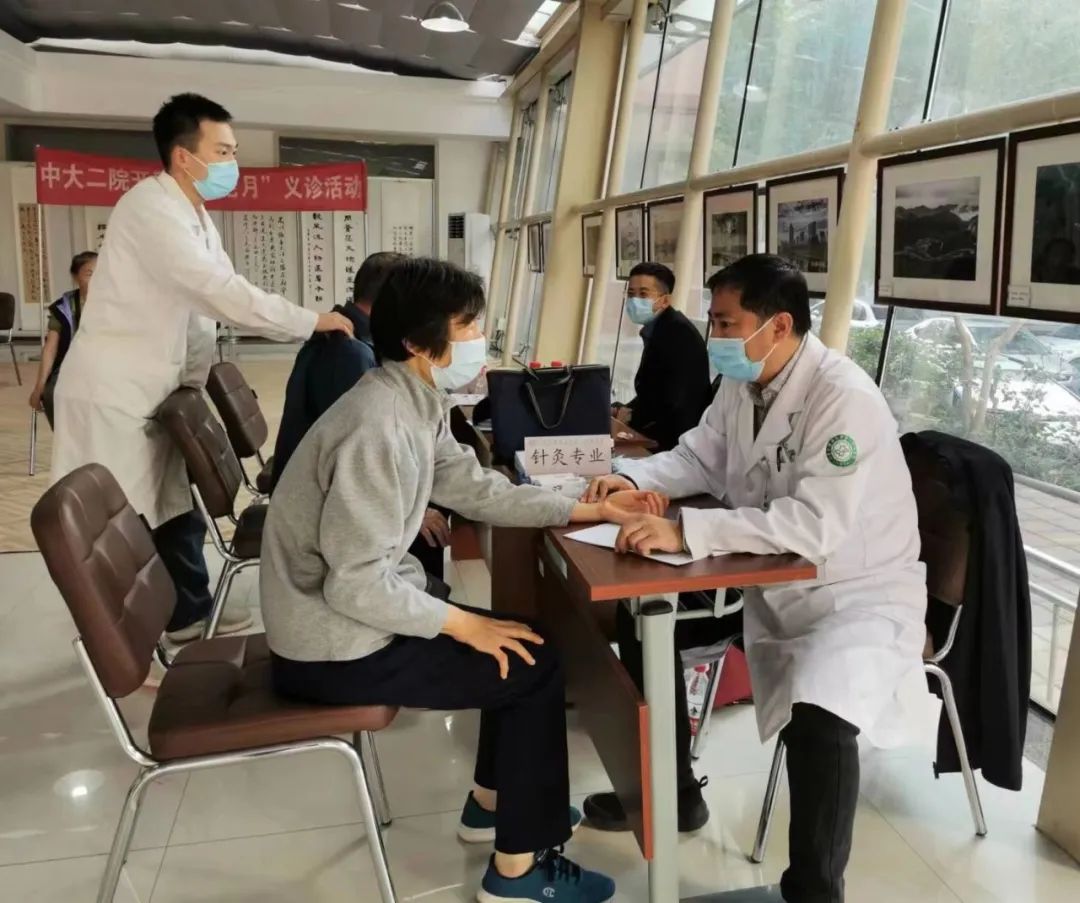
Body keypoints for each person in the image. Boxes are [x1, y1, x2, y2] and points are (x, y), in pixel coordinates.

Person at [262, 257, 667, 903]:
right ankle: (519, 872)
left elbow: (475, 489)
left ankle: (492, 804)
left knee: (523, 641)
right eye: (467, 326)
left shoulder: (413, 400)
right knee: (531, 662)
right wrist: (466, 626)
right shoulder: (378, 427)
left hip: (347, 623)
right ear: (419, 343)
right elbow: (354, 586)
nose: (479, 338)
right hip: (332, 646)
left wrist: (586, 509)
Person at [583, 254, 928, 903]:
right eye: (712, 321)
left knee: (821, 715)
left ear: (779, 326)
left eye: (725, 322)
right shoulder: (744, 383)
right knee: (645, 623)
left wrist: (687, 532)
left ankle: (814, 891)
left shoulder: (843, 398)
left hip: (856, 597)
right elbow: (699, 457)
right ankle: (672, 791)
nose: (714, 335)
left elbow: (815, 525)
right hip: (770, 583)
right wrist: (631, 479)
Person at [51, 93, 353, 645]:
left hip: (156, 390)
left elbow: (213, 300)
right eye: (223, 151)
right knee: (124, 526)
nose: (232, 162)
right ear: (183, 155)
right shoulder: (150, 209)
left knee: (170, 506)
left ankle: (188, 614)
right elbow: (220, 294)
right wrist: (310, 321)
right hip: (115, 392)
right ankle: (134, 642)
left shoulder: (194, 215)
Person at [269, 251, 448, 578]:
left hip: (319, 486)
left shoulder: (350, 334)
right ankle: (419, 603)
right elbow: (359, 458)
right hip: (315, 507)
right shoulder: (348, 353)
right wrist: (416, 512)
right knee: (429, 521)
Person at [611, 262, 712, 451]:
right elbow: (651, 391)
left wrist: (631, 417)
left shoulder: (678, 334)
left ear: (664, 301)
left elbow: (673, 401)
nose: (634, 300)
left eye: (643, 294)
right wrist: (623, 410)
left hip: (674, 442)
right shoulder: (662, 328)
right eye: (631, 294)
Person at [29, 251, 97, 428]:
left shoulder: (116, 304)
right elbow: (51, 347)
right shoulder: (64, 307)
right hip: (70, 365)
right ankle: (65, 437)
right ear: (75, 277)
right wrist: (39, 386)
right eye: (89, 274)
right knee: (52, 394)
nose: (97, 279)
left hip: (107, 366)